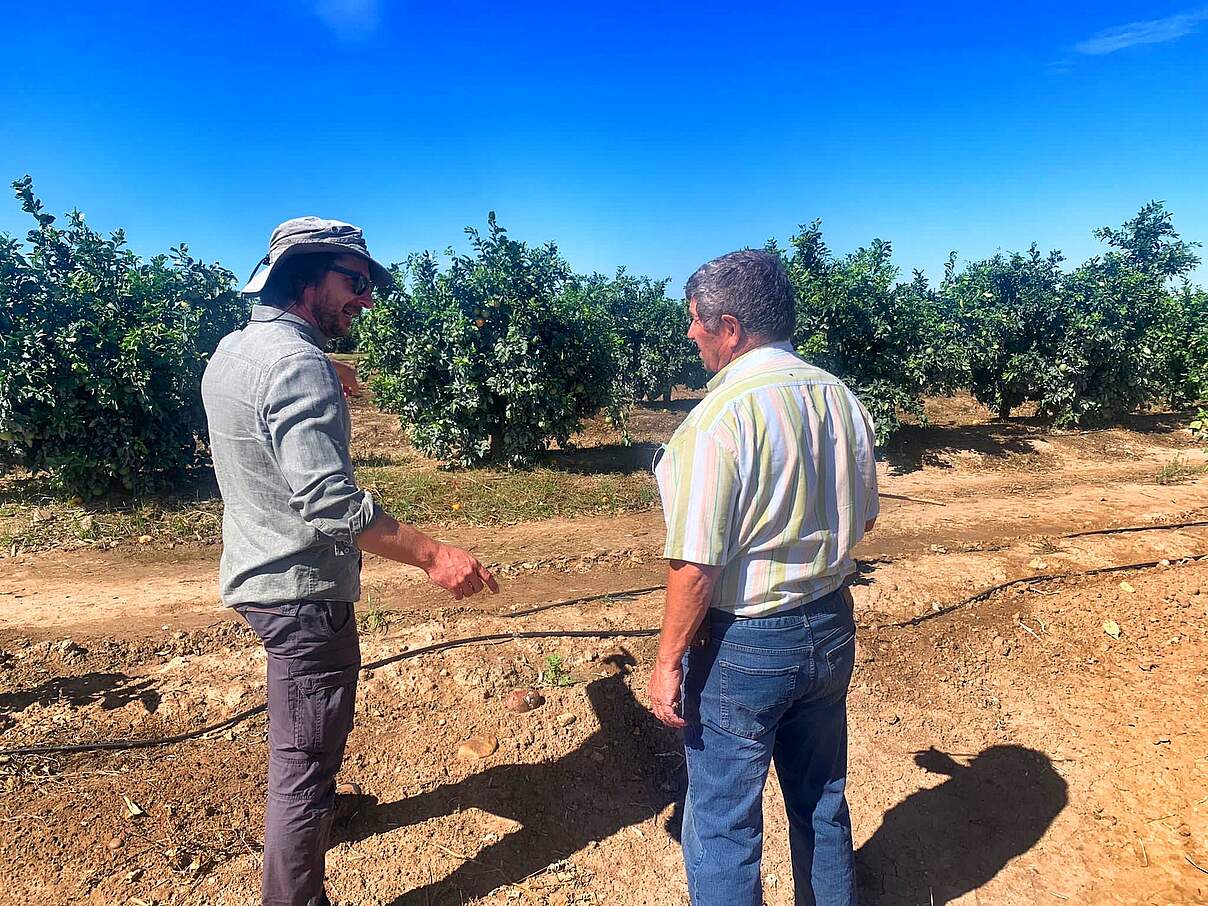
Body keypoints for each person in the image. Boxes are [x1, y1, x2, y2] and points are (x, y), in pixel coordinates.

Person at [201, 216, 498, 906]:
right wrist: (434, 556)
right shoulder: (295, 364)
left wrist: (319, 370)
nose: (366, 298)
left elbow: (260, 406)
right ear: (304, 278)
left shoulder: (233, 351)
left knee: (303, 746)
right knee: (302, 766)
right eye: (354, 282)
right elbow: (330, 503)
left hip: (255, 573)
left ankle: (320, 813)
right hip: (302, 593)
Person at [648, 249, 878, 906]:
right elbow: (862, 521)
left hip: (745, 644)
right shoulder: (840, 398)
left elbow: (696, 563)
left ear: (727, 326)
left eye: (694, 321)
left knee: (722, 825)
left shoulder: (717, 420)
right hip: (831, 625)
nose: (689, 334)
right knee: (822, 804)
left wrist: (666, 663)